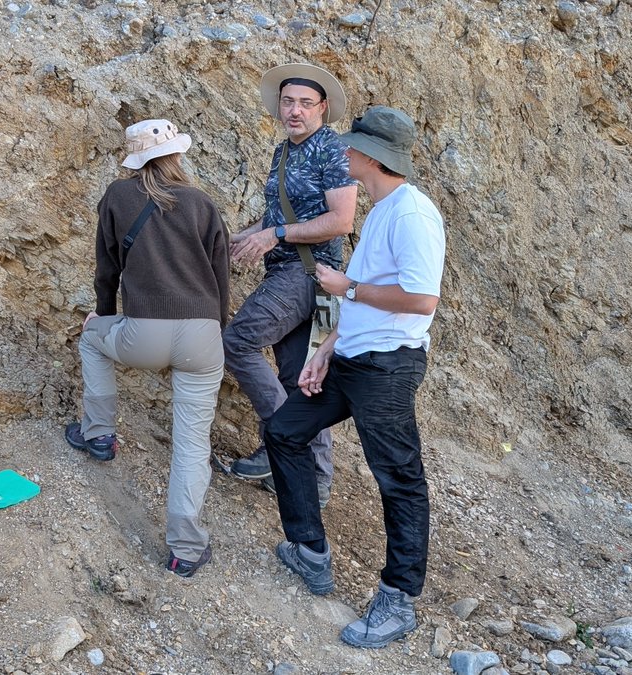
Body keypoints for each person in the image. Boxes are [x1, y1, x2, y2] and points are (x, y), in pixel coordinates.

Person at [263, 106, 446, 649]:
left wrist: (347, 288)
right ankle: (310, 550)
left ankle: (398, 599)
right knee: (284, 431)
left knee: (398, 478)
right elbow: (363, 297)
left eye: (352, 147)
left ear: (371, 157)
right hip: (353, 358)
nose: (343, 152)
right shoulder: (384, 209)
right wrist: (324, 350)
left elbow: (421, 299)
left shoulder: (412, 214)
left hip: (388, 366)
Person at [64, 119, 230, 578]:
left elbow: (107, 266)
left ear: (134, 160)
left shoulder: (118, 197)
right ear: (177, 154)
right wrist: (217, 327)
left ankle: (98, 434)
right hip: (202, 335)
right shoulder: (201, 203)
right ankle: (186, 550)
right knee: (192, 444)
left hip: (143, 332)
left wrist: (101, 312)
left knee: (93, 341)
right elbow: (220, 275)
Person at [223, 63, 358, 506]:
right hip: (294, 274)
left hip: (310, 275)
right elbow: (281, 214)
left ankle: (280, 441)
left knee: (237, 342)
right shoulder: (284, 151)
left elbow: (340, 221)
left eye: (304, 103)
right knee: (303, 380)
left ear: (322, 108)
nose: (294, 110)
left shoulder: (331, 151)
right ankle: (313, 484)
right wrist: (248, 234)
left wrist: (274, 236)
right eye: (287, 101)